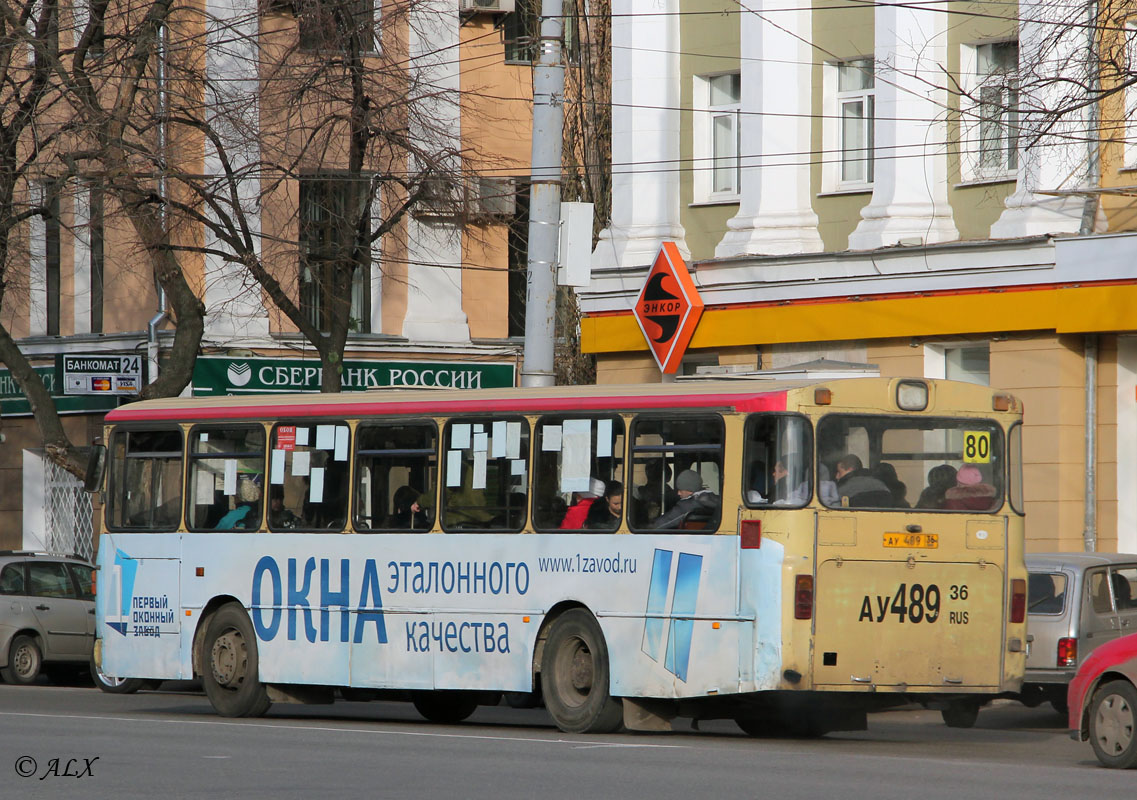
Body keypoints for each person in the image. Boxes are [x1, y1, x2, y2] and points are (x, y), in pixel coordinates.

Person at [651, 470, 719, 530]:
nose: (678, 493)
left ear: (690, 491)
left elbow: (661, 524)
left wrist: (645, 527)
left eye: (680, 490)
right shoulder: (717, 500)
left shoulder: (688, 505)